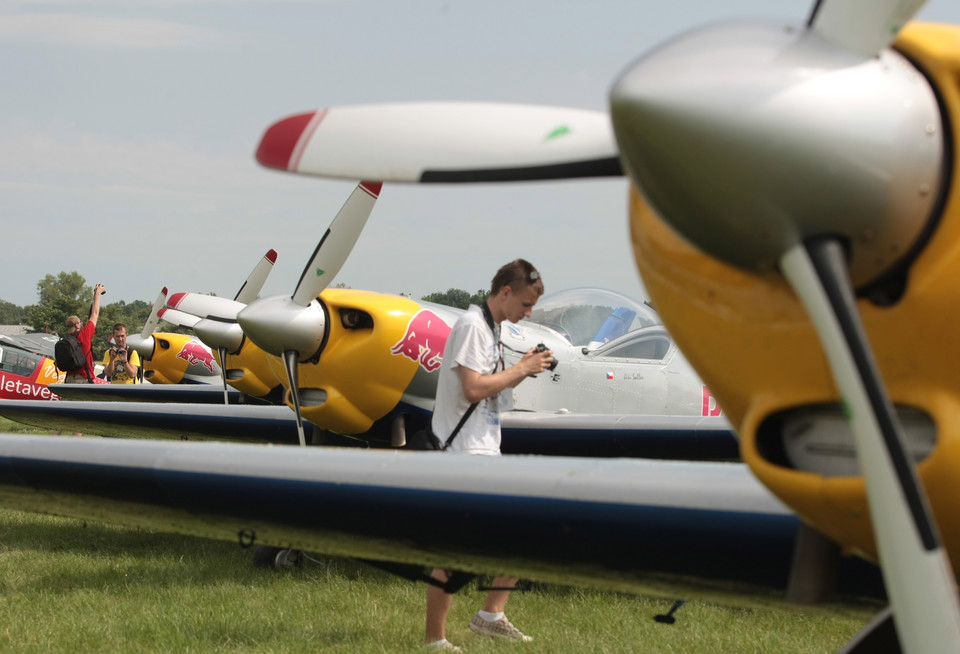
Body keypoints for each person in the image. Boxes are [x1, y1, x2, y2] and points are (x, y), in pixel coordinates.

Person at [425, 259, 554, 652]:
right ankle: (435, 640)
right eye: (527, 304)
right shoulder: (471, 326)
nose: (528, 313)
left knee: (525, 531)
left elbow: (488, 387)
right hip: (463, 455)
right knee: (455, 551)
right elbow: (472, 389)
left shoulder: (492, 328)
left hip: (484, 451)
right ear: (505, 292)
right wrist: (523, 368)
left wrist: (522, 368)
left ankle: (490, 616)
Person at [55, 283, 104, 436]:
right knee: (79, 420)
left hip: (68, 382)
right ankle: (75, 449)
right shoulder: (85, 336)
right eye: (80, 323)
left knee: (62, 418)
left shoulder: (65, 342)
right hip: (83, 382)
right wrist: (98, 293)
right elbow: (94, 314)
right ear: (77, 325)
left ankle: (52, 443)